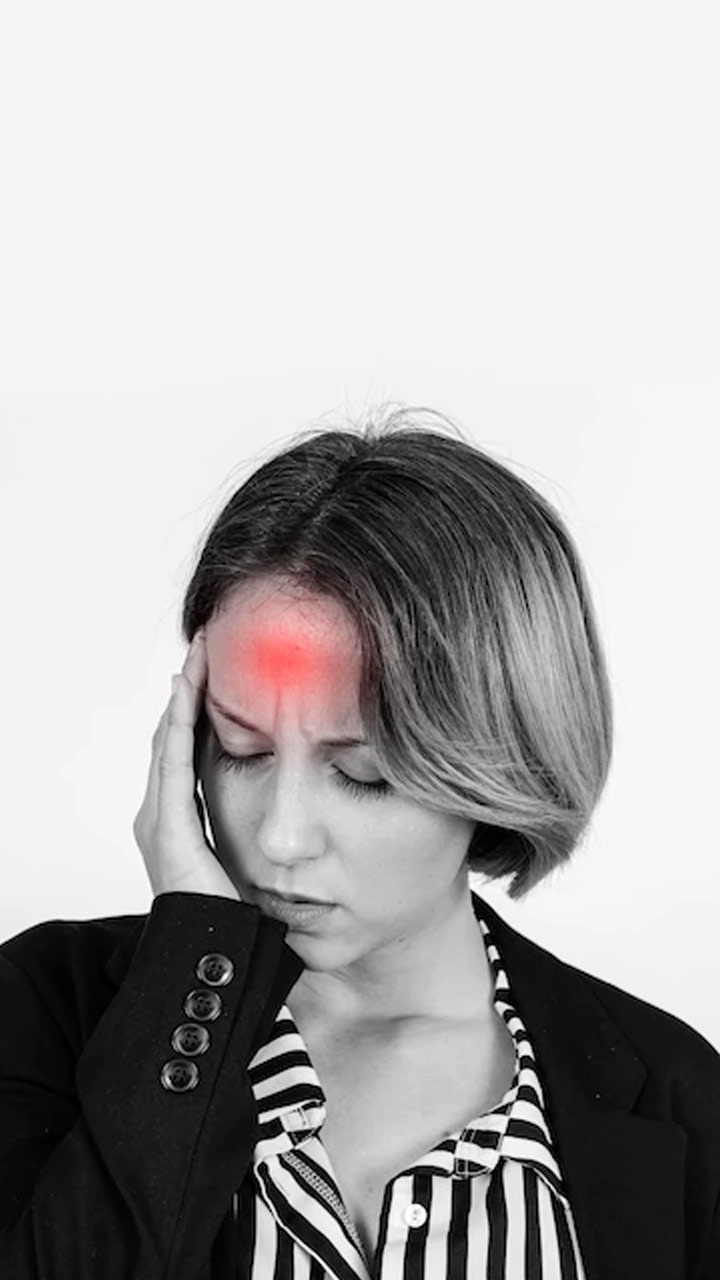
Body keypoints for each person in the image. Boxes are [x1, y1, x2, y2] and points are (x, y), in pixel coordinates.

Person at [1, 405, 718, 1280]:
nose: (281, 836)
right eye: (240, 749)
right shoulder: (41, 1013)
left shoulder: (679, 1101)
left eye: (365, 774)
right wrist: (194, 960)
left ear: (503, 759)